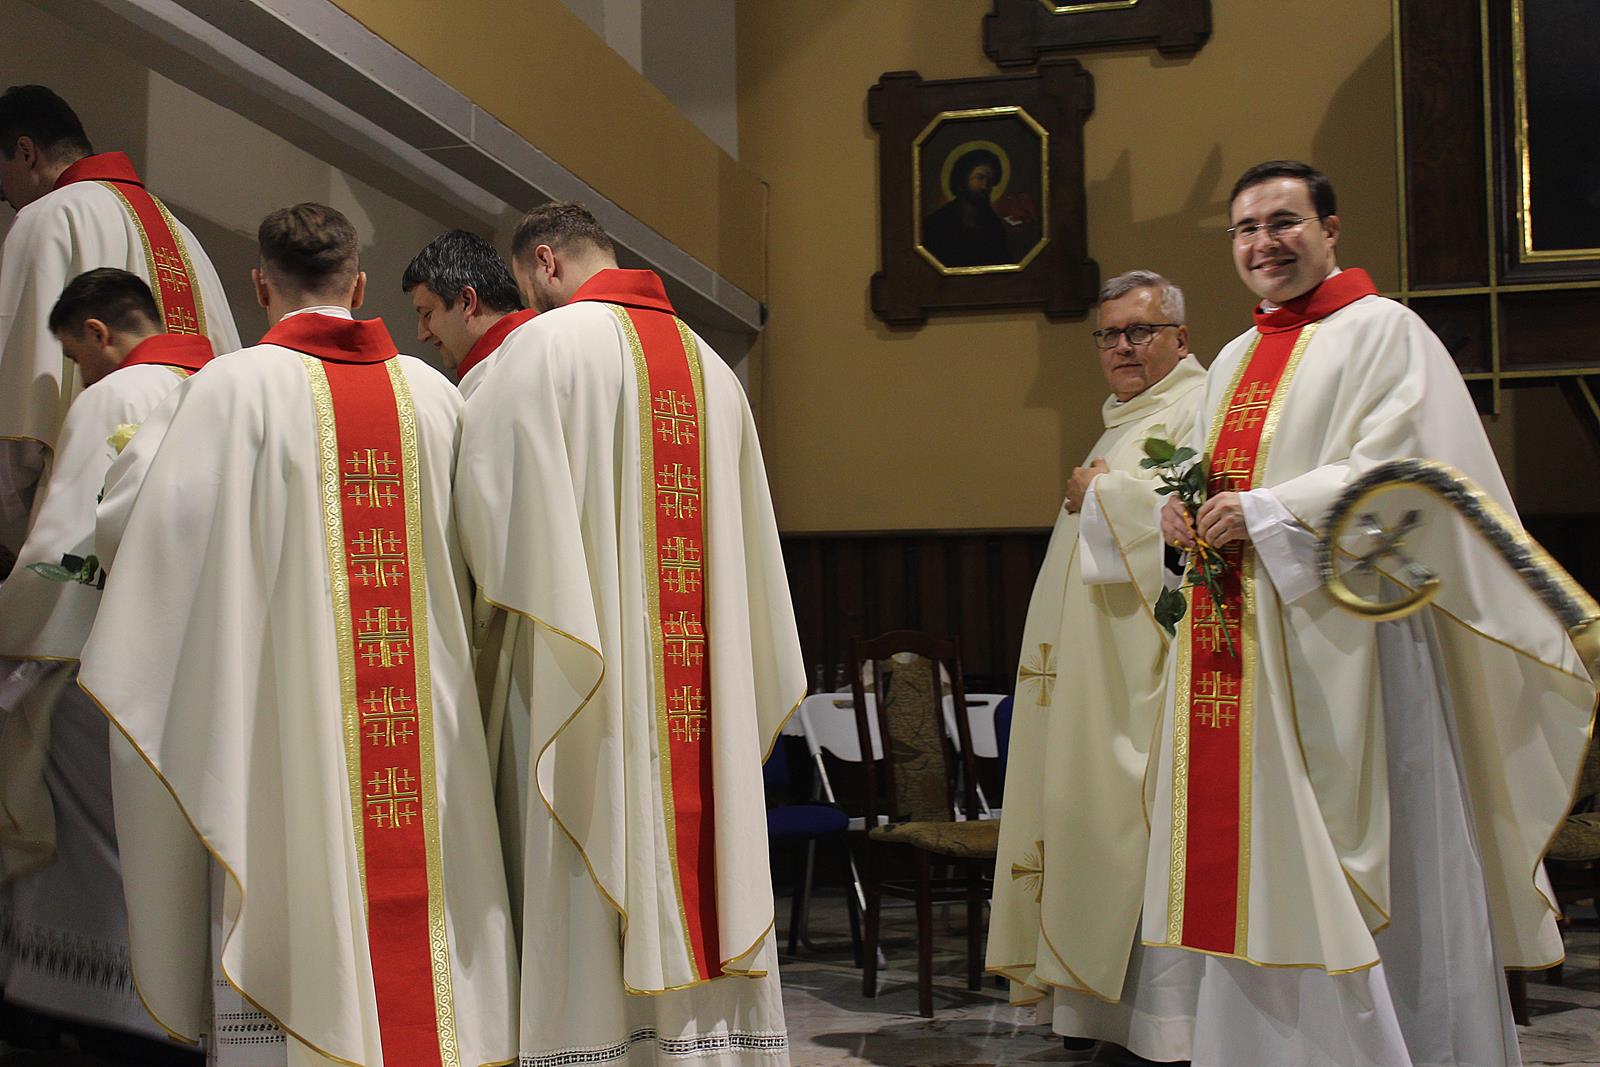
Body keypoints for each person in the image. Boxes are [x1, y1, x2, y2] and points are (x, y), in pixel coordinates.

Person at [1088, 160, 1596, 1067]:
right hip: (1246, 647)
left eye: (1284, 221)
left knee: (1375, 854)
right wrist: (1179, 513)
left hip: (1359, 645)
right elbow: (1207, 474)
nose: (1264, 243)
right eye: (1247, 228)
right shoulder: (1235, 357)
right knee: (1258, 863)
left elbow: (1415, 472)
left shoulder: (1386, 332)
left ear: (1329, 229)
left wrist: (1269, 511)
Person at [77, 204, 516, 1067]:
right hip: (424, 723)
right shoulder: (435, 397)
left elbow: (135, 525)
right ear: (358, 284)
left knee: (292, 875)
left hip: (287, 716)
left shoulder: (227, 390)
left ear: (259, 284)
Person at [455, 202, 805, 1065]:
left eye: (526, 284)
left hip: (583, 681)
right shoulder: (713, 369)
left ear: (544, 262)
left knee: (585, 842)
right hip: (700, 694)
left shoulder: (541, 349)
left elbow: (482, 512)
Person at [985, 271, 1206, 1056]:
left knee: (1133, 836)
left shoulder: (1196, 407)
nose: (1122, 347)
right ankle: (1091, 1012)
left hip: (1141, 682)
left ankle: (1160, 1024)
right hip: (1091, 674)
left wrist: (1105, 497)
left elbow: (1194, 531)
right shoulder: (1122, 423)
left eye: (1140, 331)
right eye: (1109, 334)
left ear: (1180, 337)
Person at [0, 268, 213, 1052]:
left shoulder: (115, 397)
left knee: (93, 854)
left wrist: (13, 617)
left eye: (75, 356)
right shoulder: (227, 385)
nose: (80, 375)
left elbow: (65, 553)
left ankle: (84, 1010)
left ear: (97, 333)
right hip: (202, 667)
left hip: (109, 663)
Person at [0, 85, 238, 570]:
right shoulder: (180, 233)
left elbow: (21, 416)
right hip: (202, 521)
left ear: (25, 151)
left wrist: (14, 531)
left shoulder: (47, 217)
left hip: (87, 523)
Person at [401, 228, 535, 395]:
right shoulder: (547, 338)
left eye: (427, 314)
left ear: (466, 301)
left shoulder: (502, 376)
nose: (422, 335)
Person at [922, 148, 1010, 268]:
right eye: (979, 178)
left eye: (990, 180)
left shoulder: (993, 224)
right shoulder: (937, 222)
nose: (985, 186)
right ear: (963, 179)